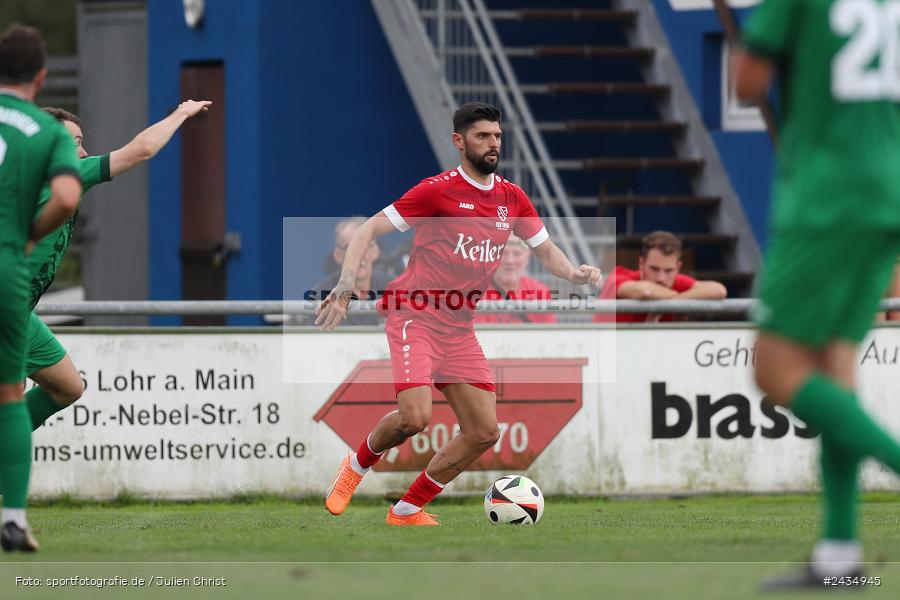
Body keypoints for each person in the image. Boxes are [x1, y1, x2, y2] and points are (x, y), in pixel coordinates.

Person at [316, 102, 601, 525]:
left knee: (485, 431)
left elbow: (545, 249)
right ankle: (354, 468)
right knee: (415, 417)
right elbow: (366, 230)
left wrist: (573, 273)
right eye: (483, 136)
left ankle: (408, 509)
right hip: (414, 314)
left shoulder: (511, 197)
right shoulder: (437, 191)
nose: (492, 144)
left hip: (459, 327)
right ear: (459, 141)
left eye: (497, 136)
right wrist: (344, 287)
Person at [735, 0, 900, 589]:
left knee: (776, 370)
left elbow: (748, 81)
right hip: (888, 191)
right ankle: (838, 554)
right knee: (833, 369)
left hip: (828, 199)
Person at [19, 101, 211, 434]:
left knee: (68, 387)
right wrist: (181, 114)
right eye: (74, 142)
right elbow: (142, 150)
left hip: (22, 314)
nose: (83, 152)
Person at [0, 24, 82, 552]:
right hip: (5, 275)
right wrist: (28, 234)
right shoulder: (43, 133)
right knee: (8, 397)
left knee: (66, 386)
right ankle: (11, 518)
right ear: (41, 75)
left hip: (17, 300)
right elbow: (68, 197)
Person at [592, 231, 726, 323]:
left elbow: (718, 290)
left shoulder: (677, 282)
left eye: (669, 270)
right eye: (654, 269)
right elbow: (646, 292)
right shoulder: (619, 276)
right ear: (641, 264)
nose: (661, 278)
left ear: (678, 268)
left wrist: (671, 302)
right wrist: (683, 302)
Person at [307, 217, 392, 326]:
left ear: (376, 251)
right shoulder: (320, 296)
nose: (360, 255)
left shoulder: (392, 286)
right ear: (337, 255)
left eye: (365, 247)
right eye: (350, 248)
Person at [473, 233, 555, 324]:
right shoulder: (475, 293)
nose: (510, 261)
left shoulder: (540, 292)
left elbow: (548, 335)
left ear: (528, 255)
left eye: (517, 254)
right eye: (503, 253)